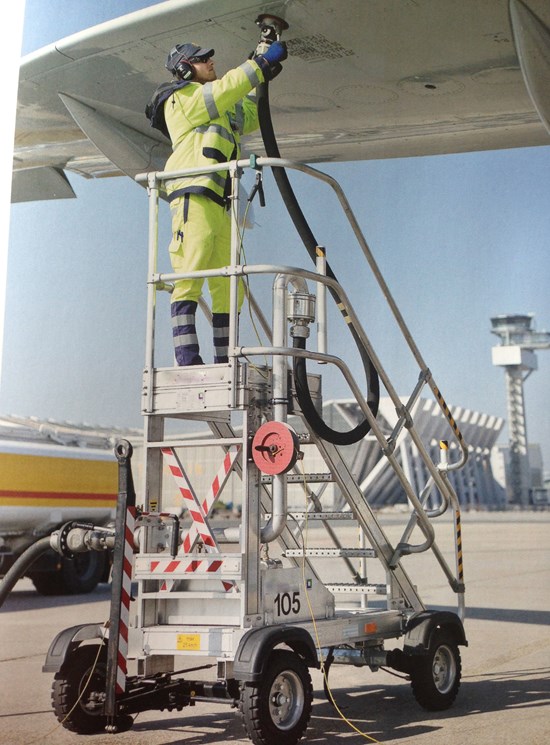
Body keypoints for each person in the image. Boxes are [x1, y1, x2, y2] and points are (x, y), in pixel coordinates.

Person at [146, 40, 287, 365]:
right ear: (183, 69)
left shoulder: (217, 104)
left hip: (221, 203)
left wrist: (259, 68)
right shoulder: (182, 99)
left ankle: (226, 360)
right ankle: (187, 360)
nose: (210, 61)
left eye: (209, 56)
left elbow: (249, 114)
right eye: (200, 59)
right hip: (192, 197)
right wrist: (259, 66)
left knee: (229, 283)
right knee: (190, 273)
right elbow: (225, 90)